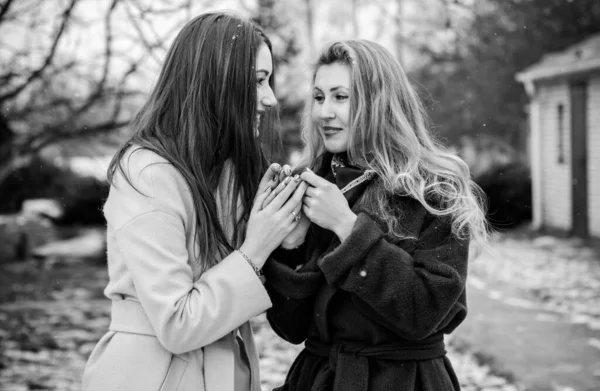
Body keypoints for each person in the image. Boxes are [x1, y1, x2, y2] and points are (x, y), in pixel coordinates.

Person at [82, 12, 308, 391]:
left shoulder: (227, 173)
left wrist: (289, 238)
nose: (269, 99)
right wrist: (257, 245)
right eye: (258, 81)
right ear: (217, 83)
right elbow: (178, 323)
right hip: (150, 377)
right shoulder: (147, 174)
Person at [262, 39, 489, 391]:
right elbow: (290, 327)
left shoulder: (433, 190)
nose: (324, 112)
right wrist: (290, 248)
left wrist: (347, 228)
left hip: (406, 381)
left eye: (341, 97)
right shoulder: (313, 185)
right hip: (319, 379)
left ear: (378, 102)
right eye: (319, 97)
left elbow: (425, 312)